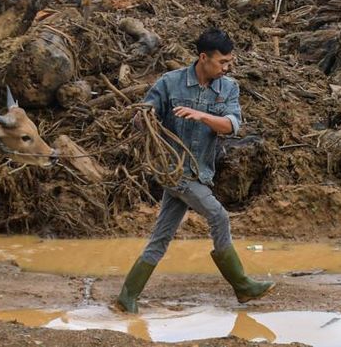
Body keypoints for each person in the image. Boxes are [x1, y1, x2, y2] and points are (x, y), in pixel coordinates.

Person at [115, 28, 275, 313]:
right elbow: (143, 120)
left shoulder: (228, 88)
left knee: (160, 239)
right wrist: (143, 117)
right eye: (222, 62)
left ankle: (128, 296)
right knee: (219, 216)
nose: (227, 67)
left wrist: (203, 116)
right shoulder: (170, 83)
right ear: (203, 57)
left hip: (200, 172)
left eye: (229, 62)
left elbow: (232, 125)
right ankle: (242, 286)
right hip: (174, 172)